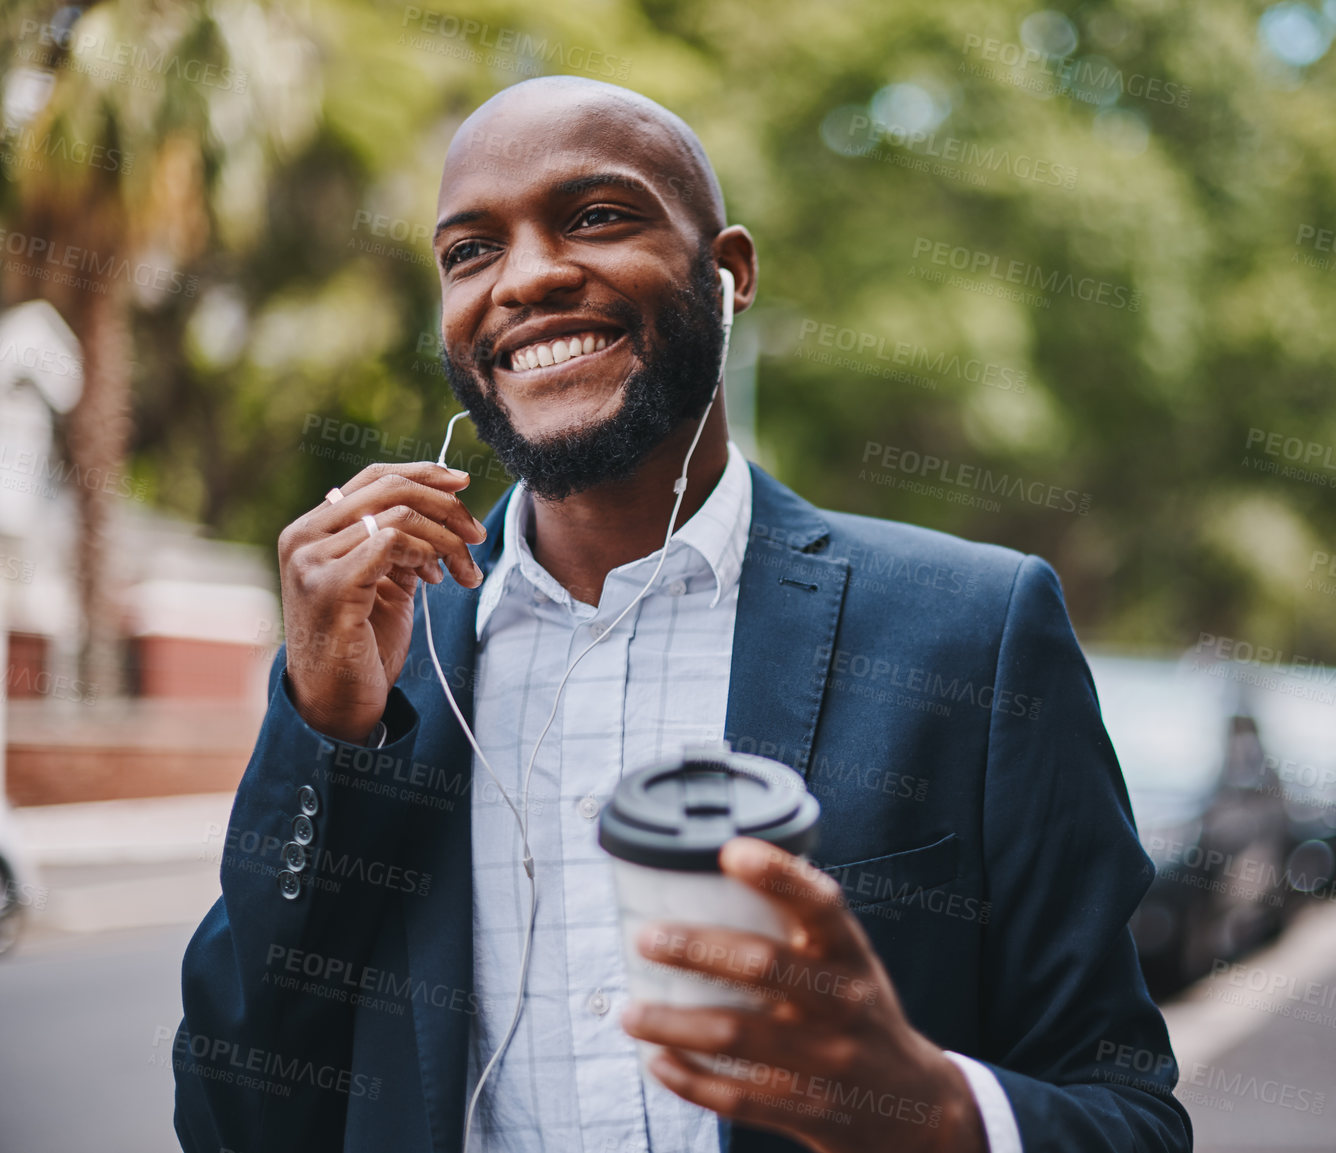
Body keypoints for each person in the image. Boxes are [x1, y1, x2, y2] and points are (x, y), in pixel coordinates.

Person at [174, 76, 1190, 1153]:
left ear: (728, 272)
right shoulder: (388, 669)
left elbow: (1124, 1117)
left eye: (597, 217)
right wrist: (320, 730)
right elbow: (236, 1116)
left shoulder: (973, 633)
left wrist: (925, 1105)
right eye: (469, 250)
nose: (526, 277)